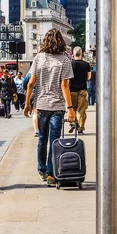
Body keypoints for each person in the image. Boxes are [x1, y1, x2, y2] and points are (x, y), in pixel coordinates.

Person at [24, 29, 75, 186]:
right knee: (55, 140)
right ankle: (52, 174)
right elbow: (64, 85)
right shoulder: (64, 60)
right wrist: (70, 108)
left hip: (41, 104)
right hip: (58, 105)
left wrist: (27, 104)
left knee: (42, 139)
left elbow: (31, 83)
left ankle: (42, 170)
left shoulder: (39, 58)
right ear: (61, 41)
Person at [69, 47, 92, 134]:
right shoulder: (86, 64)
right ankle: (80, 127)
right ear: (81, 54)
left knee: (72, 109)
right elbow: (89, 77)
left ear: (73, 54)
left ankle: (73, 123)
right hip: (82, 89)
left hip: (72, 90)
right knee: (81, 110)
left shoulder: (70, 64)